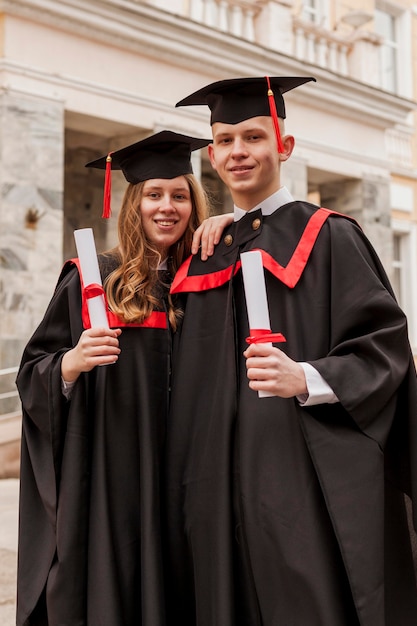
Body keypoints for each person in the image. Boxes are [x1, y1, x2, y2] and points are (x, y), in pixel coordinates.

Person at [164, 78, 417, 625]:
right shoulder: (203, 252)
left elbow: (383, 347)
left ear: (284, 147)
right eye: (224, 141)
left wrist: (307, 377)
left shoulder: (330, 236)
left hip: (294, 485)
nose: (238, 152)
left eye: (253, 137)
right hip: (211, 488)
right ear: (213, 156)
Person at [15, 130, 232, 626]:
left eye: (180, 195)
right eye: (154, 194)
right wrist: (72, 362)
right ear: (133, 203)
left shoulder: (210, 280)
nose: (167, 207)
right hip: (117, 479)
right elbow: (33, 375)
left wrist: (234, 224)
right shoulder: (95, 278)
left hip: (195, 478)